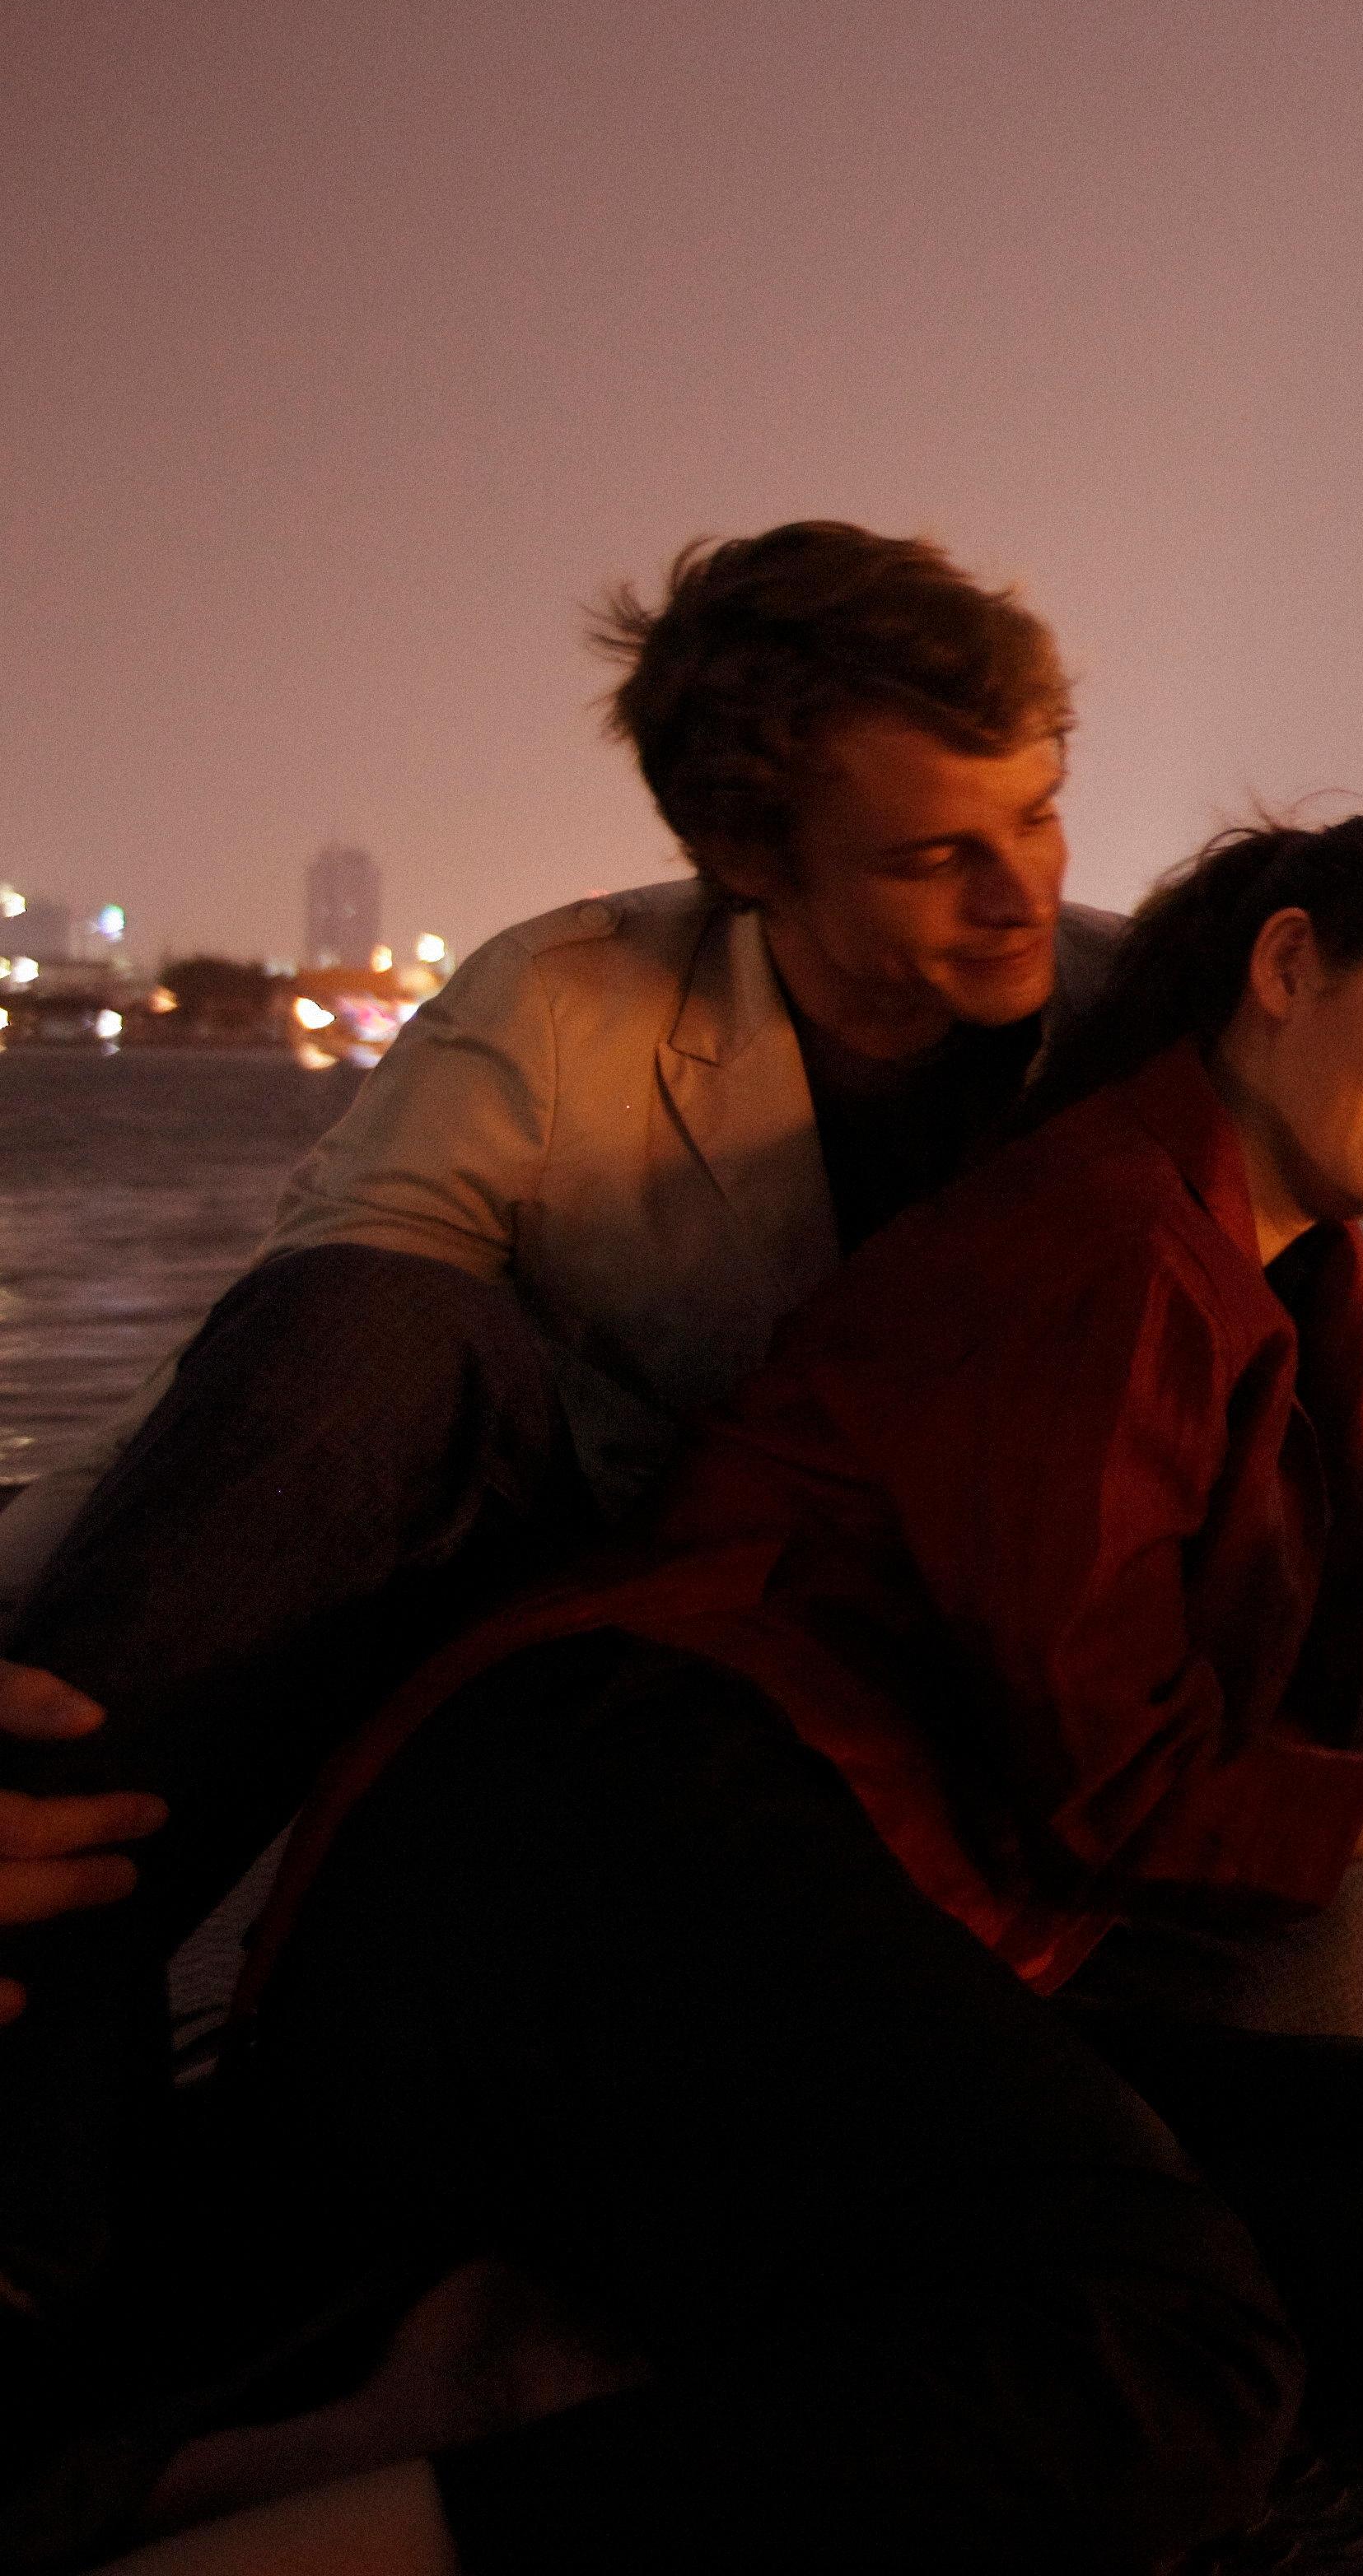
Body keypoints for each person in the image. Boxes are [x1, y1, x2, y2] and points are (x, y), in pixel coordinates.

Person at [95, 814, 1363, 2575]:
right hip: (633, 1829)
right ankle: (266, 2531)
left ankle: (587, 2311)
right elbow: (1134, 1791)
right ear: (1288, 967)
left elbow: (1207, 1774)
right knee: (1160, 2361)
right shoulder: (1107, 1239)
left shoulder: (1278, 1287)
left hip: (914, 1898)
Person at [0, 523, 1111, 2355]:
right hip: (555, 1595)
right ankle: (33, 2063)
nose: (1020, 897)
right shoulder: (567, 1001)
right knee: (389, 1307)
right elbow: (308, 1381)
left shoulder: (1136, 1021)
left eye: (1044, 817)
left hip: (893, 1661)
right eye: (936, 857)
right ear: (750, 859)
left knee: (1324, 1970)